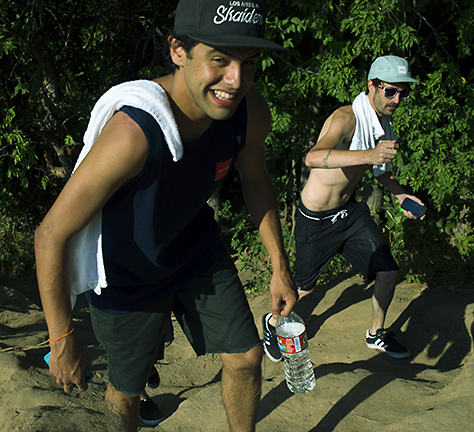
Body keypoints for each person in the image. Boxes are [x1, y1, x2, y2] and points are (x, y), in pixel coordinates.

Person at [34, 0, 298, 431]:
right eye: (219, 60)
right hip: (126, 275)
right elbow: (50, 235)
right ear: (178, 50)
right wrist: (61, 339)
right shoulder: (133, 134)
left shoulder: (249, 113)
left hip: (194, 250)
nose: (235, 81)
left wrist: (279, 267)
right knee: (127, 390)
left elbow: (255, 180)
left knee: (248, 357)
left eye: (248, 64)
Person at [262, 55, 424, 363]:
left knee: (388, 271)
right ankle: (271, 324)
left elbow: (380, 169)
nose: (397, 99)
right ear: (371, 86)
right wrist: (369, 153)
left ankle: (376, 333)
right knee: (303, 290)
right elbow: (313, 157)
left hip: (350, 214)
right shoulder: (346, 118)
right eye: (391, 91)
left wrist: (401, 195)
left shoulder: (383, 124)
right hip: (316, 219)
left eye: (403, 92)